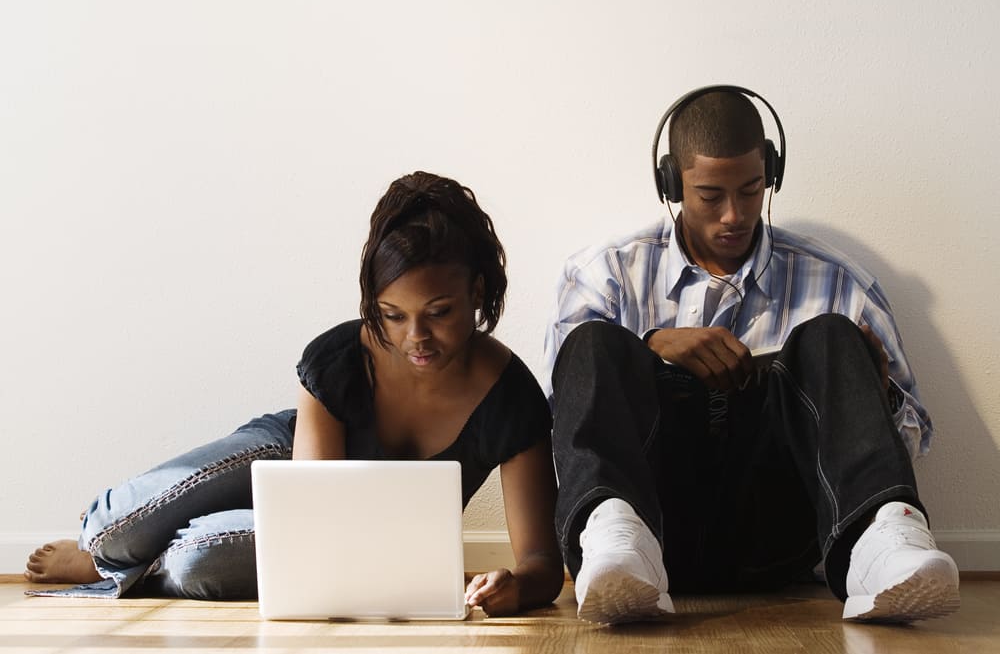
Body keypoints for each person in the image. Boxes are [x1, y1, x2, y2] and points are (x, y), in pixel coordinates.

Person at [25, 171, 564, 617]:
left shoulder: (512, 400)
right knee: (112, 531)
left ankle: (125, 563)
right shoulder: (338, 359)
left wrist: (514, 585)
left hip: (361, 543)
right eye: (392, 316)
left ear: (476, 291)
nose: (415, 338)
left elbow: (541, 560)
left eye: (439, 314)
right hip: (291, 461)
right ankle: (109, 555)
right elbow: (314, 512)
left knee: (195, 562)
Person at [541, 86, 960, 625]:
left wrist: (871, 397)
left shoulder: (839, 281)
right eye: (710, 196)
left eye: (752, 189)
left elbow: (915, 430)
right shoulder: (603, 275)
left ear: (772, 173)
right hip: (649, 525)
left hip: (778, 532)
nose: (734, 215)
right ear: (671, 183)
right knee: (595, 341)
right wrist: (649, 346)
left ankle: (883, 549)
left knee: (830, 334)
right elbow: (562, 426)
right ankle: (616, 541)